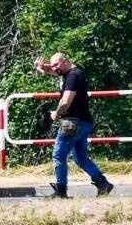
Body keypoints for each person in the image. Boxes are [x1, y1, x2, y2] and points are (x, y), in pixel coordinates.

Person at [33, 52, 114, 199]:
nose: (54, 68)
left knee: (58, 155)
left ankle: (61, 191)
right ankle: (103, 183)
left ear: (65, 61)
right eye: (53, 65)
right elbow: (53, 70)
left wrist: (56, 114)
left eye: (56, 64)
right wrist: (42, 68)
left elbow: (65, 101)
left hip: (72, 123)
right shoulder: (71, 72)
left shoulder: (73, 76)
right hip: (84, 122)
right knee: (80, 158)